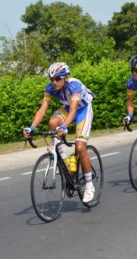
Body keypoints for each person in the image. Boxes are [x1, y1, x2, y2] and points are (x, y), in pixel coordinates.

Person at [23, 62, 96, 203]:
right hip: (68, 108)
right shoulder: (50, 88)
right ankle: (63, 157)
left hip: (83, 110)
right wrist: (31, 127)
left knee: (80, 147)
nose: (54, 82)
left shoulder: (74, 85)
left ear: (65, 78)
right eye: (52, 79)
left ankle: (89, 185)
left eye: (57, 79)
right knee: (52, 123)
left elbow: (75, 110)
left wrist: (64, 126)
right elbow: (43, 108)